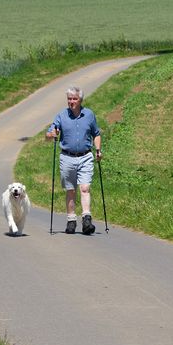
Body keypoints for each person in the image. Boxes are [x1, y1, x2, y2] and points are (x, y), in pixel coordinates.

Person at [46, 86, 102, 235]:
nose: (71, 102)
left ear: (80, 100)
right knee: (70, 190)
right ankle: (71, 220)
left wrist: (98, 150)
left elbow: (96, 133)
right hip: (67, 157)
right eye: (69, 99)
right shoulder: (61, 116)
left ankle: (86, 219)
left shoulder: (89, 115)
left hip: (85, 156)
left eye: (74, 99)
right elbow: (48, 134)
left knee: (85, 188)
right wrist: (52, 134)